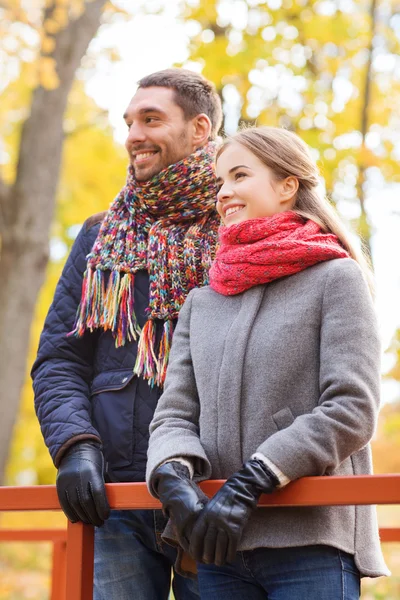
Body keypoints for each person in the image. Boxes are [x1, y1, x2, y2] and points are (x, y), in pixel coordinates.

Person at [146, 126, 389, 600]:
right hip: (218, 546)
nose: (224, 192)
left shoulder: (336, 278)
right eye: (220, 181)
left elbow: (352, 407)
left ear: (286, 186)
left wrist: (256, 477)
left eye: (239, 175)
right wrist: (172, 475)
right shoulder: (203, 300)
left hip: (310, 541)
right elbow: (174, 413)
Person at [32, 68, 223, 600]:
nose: (133, 134)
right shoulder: (99, 235)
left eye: (151, 119)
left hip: (212, 491)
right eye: (129, 121)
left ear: (200, 129)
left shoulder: (241, 223)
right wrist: (75, 447)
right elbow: (59, 359)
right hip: (114, 497)